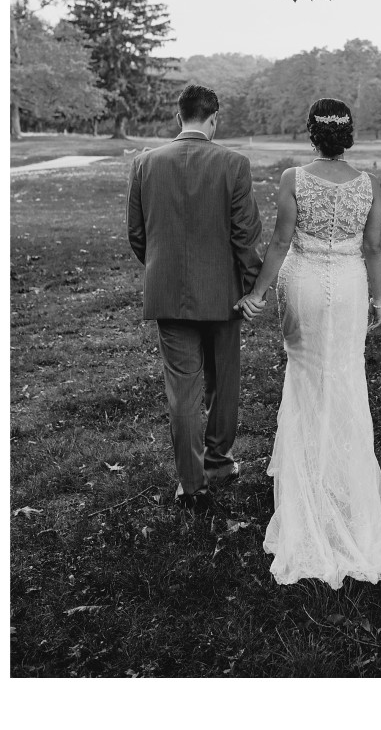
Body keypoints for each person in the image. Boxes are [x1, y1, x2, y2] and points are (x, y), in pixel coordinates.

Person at [235, 98, 381, 587]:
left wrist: (257, 293)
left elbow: (282, 242)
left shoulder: (293, 178)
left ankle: (308, 479)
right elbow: (373, 248)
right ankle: (340, 481)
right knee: (345, 374)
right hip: (350, 285)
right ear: (349, 135)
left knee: (305, 374)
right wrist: (379, 299)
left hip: (303, 281)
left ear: (313, 134)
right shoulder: (369, 184)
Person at [126, 84, 264, 511]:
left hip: (168, 292)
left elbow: (137, 233)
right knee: (224, 381)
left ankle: (191, 485)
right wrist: (252, 284)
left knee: (182, 390)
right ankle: (219, 463)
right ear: (214, 118)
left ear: (178, 115)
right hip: (223, 294)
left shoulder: (145, 163)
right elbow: (246, 236)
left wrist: (162, 270)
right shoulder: (233, 163)